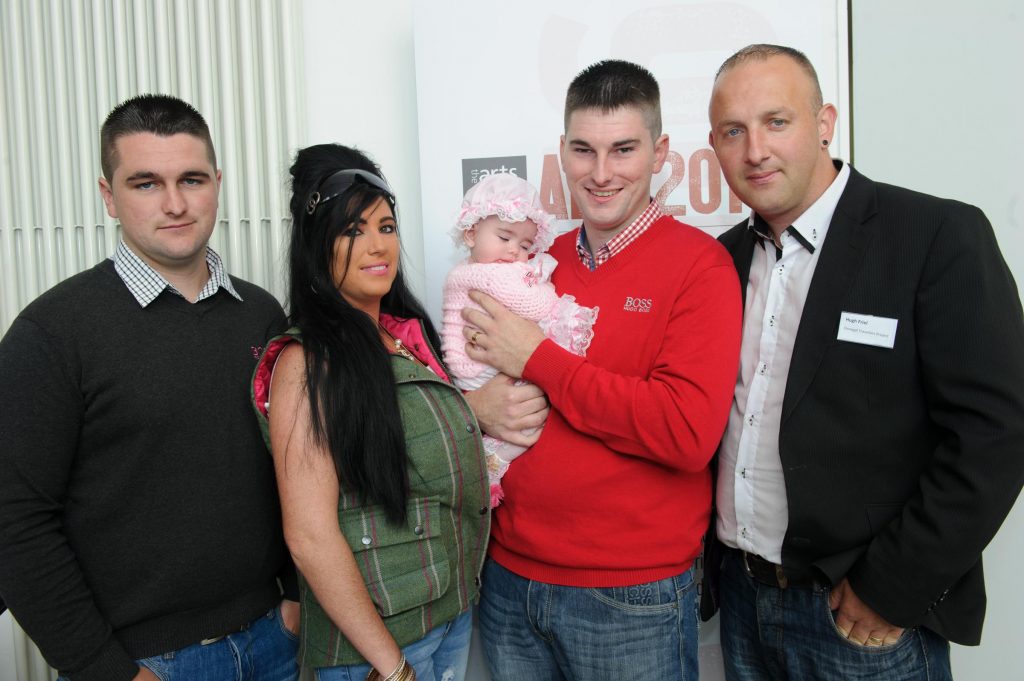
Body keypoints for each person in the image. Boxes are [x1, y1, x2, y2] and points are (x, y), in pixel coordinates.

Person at [702, 43, 1024, 680]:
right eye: (733, 132)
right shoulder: (721, 260)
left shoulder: (936, 237)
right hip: (742, 603)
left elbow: (997, 433)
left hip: (860, 616)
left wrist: (892, 586)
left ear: (825, 123)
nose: (755, 151)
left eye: (777, 121)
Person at [0, 95, 299, 681]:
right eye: (145, 183)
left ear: (217, 182)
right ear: (108, 197)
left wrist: (293, 598)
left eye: (191, 179)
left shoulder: (260, 316)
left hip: (274, 638)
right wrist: (105, 671)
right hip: (145, 663)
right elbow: (16, 522)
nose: (175, 203)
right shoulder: (50, 334)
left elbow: (293, 472)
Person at [463, 60, 743, 680]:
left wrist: (537, 357)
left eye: (623, 149)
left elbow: (685, 432)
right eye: (584, 151)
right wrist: (476, 410)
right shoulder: (534, 263)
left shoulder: (700, 266)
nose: (602, 172)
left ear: (660, 152)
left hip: (631, 596)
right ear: (563, 152)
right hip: (509, 581)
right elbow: (469, 379)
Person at [251, 144, 489, 681]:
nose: (377, 245)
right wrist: (394, 668)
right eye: (352, 230)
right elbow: (309, 535)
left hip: (446, 619)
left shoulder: (404, 337)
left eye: (386, 226)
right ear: (317, 245)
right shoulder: (306, 363)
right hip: (379, 651)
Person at [441, 173, 598, 506]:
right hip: (479, 369)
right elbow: (533, 304)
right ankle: (489, 464)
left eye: (526, 245)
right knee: (528, 417)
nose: (514, 251)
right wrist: (547, 288)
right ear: (471, 233)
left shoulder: (483, 267)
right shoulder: (480, 274)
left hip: (483, 364)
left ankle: (491, 465)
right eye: (504, 237)